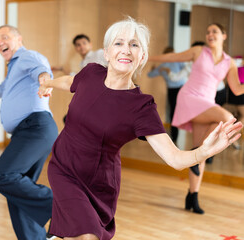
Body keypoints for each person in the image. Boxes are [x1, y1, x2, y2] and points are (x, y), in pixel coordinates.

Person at [37, 17, 242, 240]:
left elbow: (174, 158)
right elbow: (70, 82)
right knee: (87, 237)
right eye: (119, 43)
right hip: (64, 167)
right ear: (106, 53)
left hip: (100, 183)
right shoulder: (91, 73)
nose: (126, 50)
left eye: (134, 45)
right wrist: (47, 83)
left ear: (141, 57)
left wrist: (205, 151)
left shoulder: (141, 106)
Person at [0, 25, 58, 240]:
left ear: (18, 39)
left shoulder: (27, 57)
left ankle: (61, 206)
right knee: (18, 192)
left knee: (1, 175)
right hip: (30, 131)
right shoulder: (14, 68)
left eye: (4, 37)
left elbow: (41, 70)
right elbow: (1, 89)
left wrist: (45, 79)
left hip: (36, 128)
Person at [149, 22, 244, 214]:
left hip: (207, 103)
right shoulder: (199, 51)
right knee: (226, 117)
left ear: (223, 36)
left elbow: (237, 89)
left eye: (215, 31)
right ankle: (196, 152)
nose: (210, 34)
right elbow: (171, 57)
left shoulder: (229, 62)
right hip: (191, 98)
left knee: (202, 152)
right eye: (208, 31)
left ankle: (192, 197)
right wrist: (147, 56)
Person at [147, 46, 187, 143]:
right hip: (177, 90)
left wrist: (153, 69)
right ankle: (174, 136)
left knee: (174, 112)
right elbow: (187, 70)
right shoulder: (167, 65)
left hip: (178, 90)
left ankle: (174, 136)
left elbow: (150, 74)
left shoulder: (165, 65)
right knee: (175, 112)